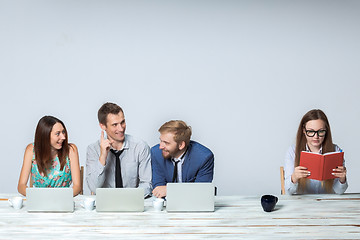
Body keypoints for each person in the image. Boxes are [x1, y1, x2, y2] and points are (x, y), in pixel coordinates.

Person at [86, 102, 152, 197]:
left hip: (132, 202)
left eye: (122, 122)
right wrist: (103, 157)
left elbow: (147, 184)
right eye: (114, 125)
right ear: (103, 126)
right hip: (106, 204)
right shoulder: (93, 149)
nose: (121, 129)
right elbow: (94, 187)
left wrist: (130, 198)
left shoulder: (140, 147)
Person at [284, 109, 348, 194]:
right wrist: (294, 177)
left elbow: (339, 192)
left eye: (321, 131)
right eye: (310, 131)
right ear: (304, 130)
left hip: (327, 204)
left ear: (326, 131)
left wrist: (342, 179)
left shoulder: (335, 151)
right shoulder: (293, 151)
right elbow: (289, 192)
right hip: (303, 204)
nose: (316, 137)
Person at [18, 116, 81, 196]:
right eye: (57, 134)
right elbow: (21, 185)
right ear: (45, 136)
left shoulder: (71, 150)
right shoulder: (31, 150)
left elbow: (77, 186)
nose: (63, 137)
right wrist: (36, 196)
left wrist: (60, 198)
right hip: (39, 201)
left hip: (62, 201)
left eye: (63, 132)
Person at [151, 120, 214, 198]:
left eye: (166, 143)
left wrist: (170, 190)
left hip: (193, 203)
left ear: (181, 145)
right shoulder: (156, 153)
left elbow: (201, 190)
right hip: (167, 202)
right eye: (160, 141)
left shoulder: (204, 157)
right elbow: (158, 187)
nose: (160, 146)